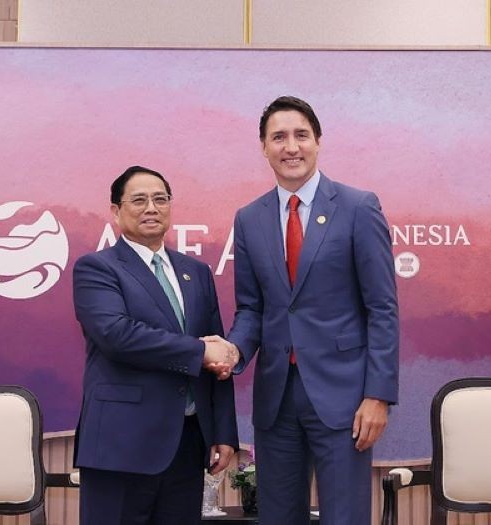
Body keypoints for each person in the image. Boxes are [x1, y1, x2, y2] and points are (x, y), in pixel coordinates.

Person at [222, 96, 399, 524]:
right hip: (277, 398)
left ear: (318, 142)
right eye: (278, 137)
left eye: (301, 135)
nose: (291, 147)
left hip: (345, 398)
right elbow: (251, 309)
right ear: (264, 148)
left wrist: (378, 396)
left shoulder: (358, 207)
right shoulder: (249, 219)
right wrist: (233, 352)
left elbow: (382, 308)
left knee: (345, 517)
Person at [72, 165, 239, 525]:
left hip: (186, 443)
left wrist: (224, 432)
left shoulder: (196, 272)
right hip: (121, 445)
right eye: (139, 200)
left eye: (160, 199)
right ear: (116, 211)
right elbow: (117, 335)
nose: (151, 207)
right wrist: (198, 351)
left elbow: (217, 355)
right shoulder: (97, 268)